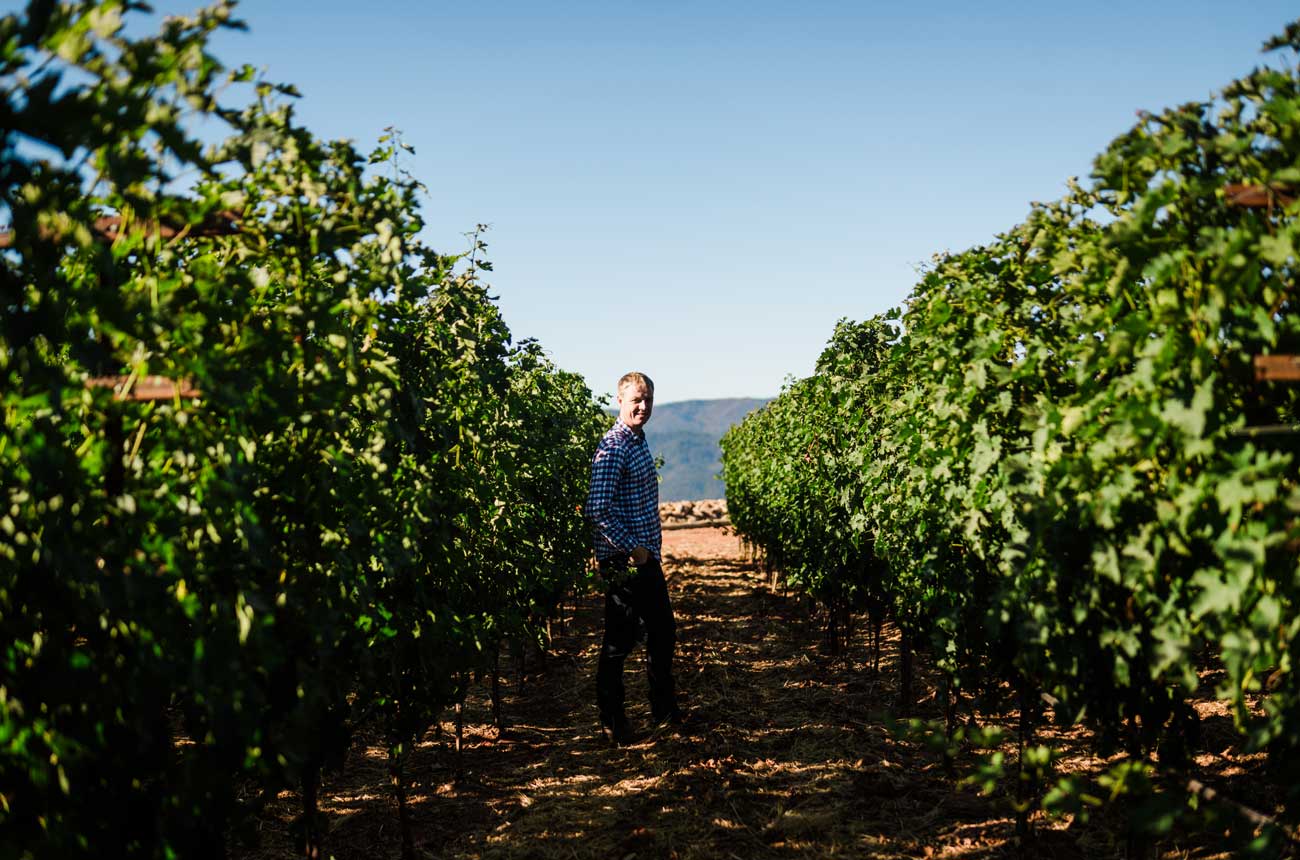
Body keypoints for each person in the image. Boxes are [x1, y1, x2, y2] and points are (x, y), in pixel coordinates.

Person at [585, 371, 681, 745]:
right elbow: (596, 508)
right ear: (620, 401)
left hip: (644, 557)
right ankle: (613, 722)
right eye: (636, 400)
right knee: (619, 641)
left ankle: (664, 711)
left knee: (662, 633)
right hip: (625, 561)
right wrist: (633, 549)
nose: (643, 406)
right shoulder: (613, 447)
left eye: (648, 400)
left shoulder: (637, 441)